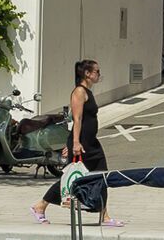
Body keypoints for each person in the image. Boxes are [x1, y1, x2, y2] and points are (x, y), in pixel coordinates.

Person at [35, 59, 115, 229]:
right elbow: (77, 119)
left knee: (101, 176)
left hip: (91, 142)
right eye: (97, 72)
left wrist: (70, 142)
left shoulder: (88, 92)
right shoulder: (79, 92)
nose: (98, 75)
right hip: (83, 144)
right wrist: (75, 143)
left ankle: (105, 215)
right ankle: (40, 206)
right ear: (87, 74)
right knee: (73, 179)